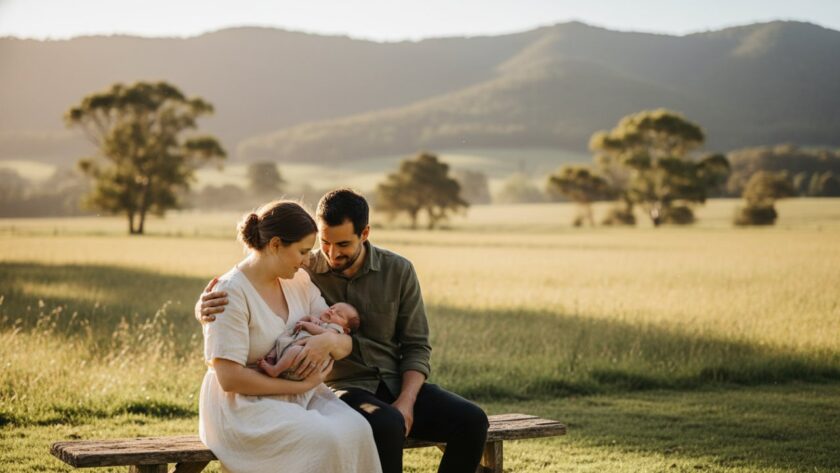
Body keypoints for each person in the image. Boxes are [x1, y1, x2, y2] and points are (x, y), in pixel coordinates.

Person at [199, 189, 489, 473]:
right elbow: (247, 281)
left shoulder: (397, 271)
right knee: (386, 423)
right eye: (324, 243)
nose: (331, 253)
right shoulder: (303, 267)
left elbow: (416, 346)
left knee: (472, 421)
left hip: (393, 382)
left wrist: (406, 401)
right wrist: (203, 308)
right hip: (347, 387)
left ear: (364, 234)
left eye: (343, 245)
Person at [198, 200, 381, 473]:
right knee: (324, 439)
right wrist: (299, 386)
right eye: (303, 251)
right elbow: (229, 378)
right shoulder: (229, 294)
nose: (308, 260)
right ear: (274, 245)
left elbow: (342, 340)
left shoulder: (299, 281)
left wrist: (329, 341)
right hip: (244, 406)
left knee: (358, 429)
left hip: (303, 395)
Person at [258, 302, 360, 379]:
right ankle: (272, 358)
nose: (332, 311)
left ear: (346, 330)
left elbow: (324, 333)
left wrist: (307, 325)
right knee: (282, 339)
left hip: (303, 362)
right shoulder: (318, 319)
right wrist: (308, 317)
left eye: (339, 314)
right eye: (331, 308)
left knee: (294, 350)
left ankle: (276, 370)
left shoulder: (335, 329)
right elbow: (300, 322)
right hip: (291, 349)